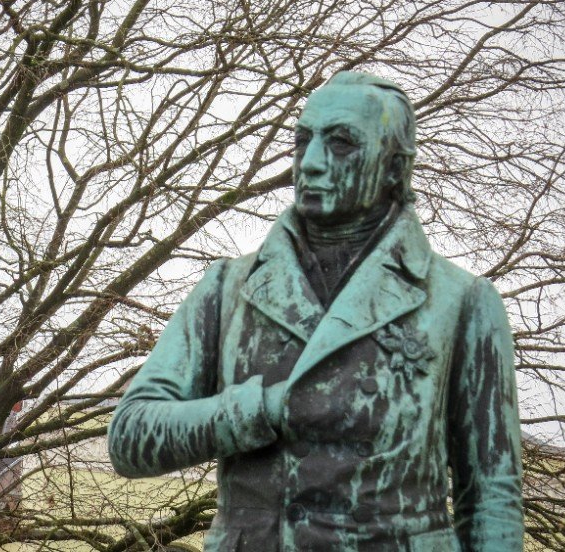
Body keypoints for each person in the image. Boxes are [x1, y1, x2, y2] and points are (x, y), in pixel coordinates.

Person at [108, 72, 524, 552]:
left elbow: (492, 495)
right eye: (303, 140)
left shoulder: (461, 301)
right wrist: (259, 409)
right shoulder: (228, 289)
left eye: (341, 143)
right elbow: (130, 436)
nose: (310, 163)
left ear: (394, 168)